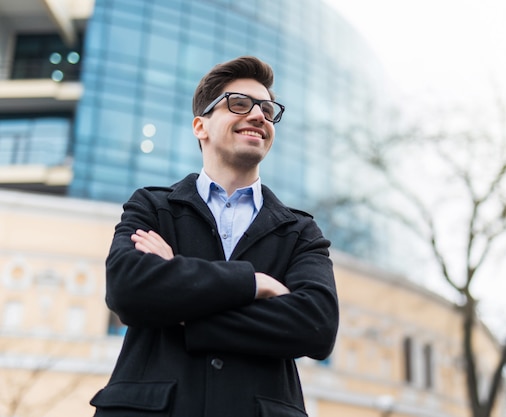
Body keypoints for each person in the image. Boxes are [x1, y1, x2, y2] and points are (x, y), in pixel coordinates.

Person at [90, 56, 339, 417]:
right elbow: (127, 289)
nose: (258, 116)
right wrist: (254, 284)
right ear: (200, 127)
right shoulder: (152, 206)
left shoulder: (300, 231)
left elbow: (315, 327)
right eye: (239, 104)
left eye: (267, 110)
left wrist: (179, 293)